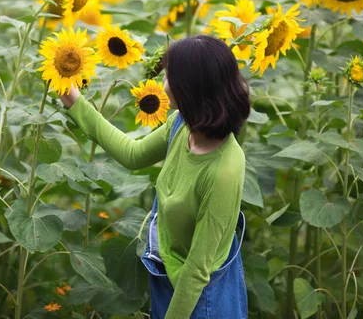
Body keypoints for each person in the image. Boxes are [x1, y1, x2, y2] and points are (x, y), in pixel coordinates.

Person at [59, 34, 251, 318]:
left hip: (201, 298)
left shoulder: (224, 170)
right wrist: (73, 100)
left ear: (190, 88)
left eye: (169, 77)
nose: (163, 84)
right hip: (168, 275)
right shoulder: (181, 126)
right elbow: (132, 154)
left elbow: (197, 270)